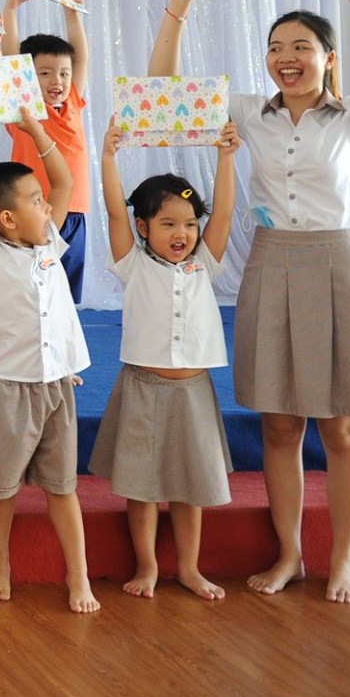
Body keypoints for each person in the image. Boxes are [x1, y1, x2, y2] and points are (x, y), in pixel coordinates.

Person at [150, 0, 350, 603]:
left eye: (301, 47)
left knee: (342, 429)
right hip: (271, 263)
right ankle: (290, 555)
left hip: (338, 265)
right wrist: (178, 7)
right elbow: (163, 91)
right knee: (279, 428)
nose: (286, 58)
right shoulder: (251, 113)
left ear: (328, 59)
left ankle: (344, 561)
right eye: (276, 48)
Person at [0, 113, 99, 614]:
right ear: (7, 219)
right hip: (5, 388)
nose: (47, 205)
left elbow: (66, 182)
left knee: (63, 486)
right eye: (36, 201)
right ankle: (0, 564)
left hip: (55, 384)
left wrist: (38, 133)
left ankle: (78, 576)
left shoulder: (50, 241)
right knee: (0, 488)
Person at [89, 118, 240, 601]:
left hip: (193, 391)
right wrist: (109, 157)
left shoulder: (203, 264)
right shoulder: (132, 263)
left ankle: (189, 569)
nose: (183, 233)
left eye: (190, 224)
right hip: (143, 388)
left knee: (191, 488)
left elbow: (224, 212)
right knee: (142, 488)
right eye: (168, 224)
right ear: (143, 227)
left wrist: (225, 156)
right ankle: (148, 566)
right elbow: (114, 213)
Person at [0, 0, 94, 302]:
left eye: (63, 73)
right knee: (33, 287)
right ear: (27, 76)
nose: (58, 80)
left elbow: (80, 58)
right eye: (45, 73)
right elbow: (10, 57)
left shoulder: (73, 103)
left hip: (74, 211)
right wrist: (10, 11)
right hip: (31, 209)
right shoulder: (23, 108)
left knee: (65, 290)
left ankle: (64, 328)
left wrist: (72, 15)